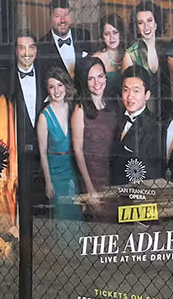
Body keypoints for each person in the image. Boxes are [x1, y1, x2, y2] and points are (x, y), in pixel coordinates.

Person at [36, 68, 91, 221]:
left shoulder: (74, 108)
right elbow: (43, 152)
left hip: (73, 168)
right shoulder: (44, 117)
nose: (56, 90)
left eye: (60, 85)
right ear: (48, 90)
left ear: (65, 86)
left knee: (77, 212)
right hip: (55, 172)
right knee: (62, 215)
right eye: (52, 87)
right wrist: (48, 182)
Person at [108, 67, 162, 185]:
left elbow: (150, 170)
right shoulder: (118, 118)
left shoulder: (153, 126)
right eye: (126, 90)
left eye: (136, 91)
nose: (130, 96)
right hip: (114, 189)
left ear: (147, 95)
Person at [71, 58, 116, 196]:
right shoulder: (80, 110)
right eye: (91, 79)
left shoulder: (113, 106)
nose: (97, 83)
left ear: (105, 78)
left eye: (100, 76)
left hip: (112, 177)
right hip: (91, 178)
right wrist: (89, 188)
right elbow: (77, 152)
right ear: (85, 81)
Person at [121, 0, 167, 115]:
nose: (146, 26)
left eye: (149, 21)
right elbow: (126, 93)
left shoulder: (168, 49)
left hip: (167, 109)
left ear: (156, 23)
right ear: (137, 27)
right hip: (142, 114)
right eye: (141, 23)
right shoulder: (131, 54)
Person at [12, 29, 43, 192]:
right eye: (22, 48)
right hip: (18, 152)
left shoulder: (45, 76)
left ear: (36, 50)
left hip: (44, 150)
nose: (27, 53)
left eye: (31, 47)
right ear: (16, 50)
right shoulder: (7, 79)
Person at [36, 0, 86, 78]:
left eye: (66, 15)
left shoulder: (83, 35)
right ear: (50, 18)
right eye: (57, 16)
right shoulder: (42, 46)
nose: (63, 20)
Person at [90, 14, 126, 99]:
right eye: (107, 34)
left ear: (120, 33)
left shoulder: (128, 54)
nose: (112, 38)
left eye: (115, 32)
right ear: (102, 36)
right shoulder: (96, 58)